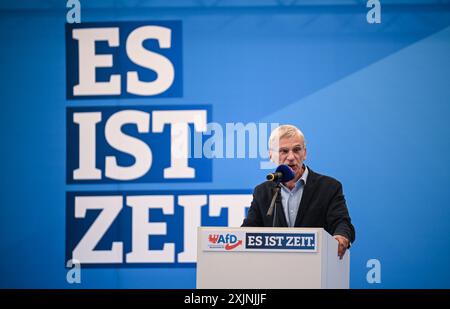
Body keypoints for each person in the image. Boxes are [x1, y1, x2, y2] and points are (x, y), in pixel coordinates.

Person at [241, 124, 355, 259]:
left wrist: (341, 236)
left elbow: (342, 223)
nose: (291, 157)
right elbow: (249, 230)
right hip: (273, 267)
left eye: (296, 150)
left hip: (315, 267)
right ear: (271, 155)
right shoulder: (262, 192)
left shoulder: (329, 187)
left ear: (305, 153)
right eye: (283, 151)